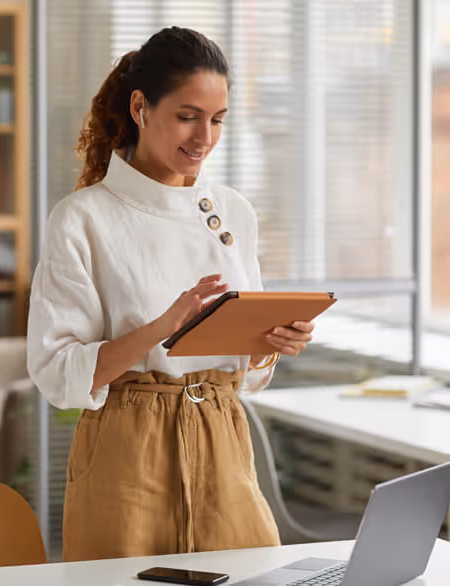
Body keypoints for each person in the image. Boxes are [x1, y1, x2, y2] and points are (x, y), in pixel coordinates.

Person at [27, 26, 315, 562]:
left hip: (223, 440)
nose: (204, 137)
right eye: (187, 115)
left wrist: (267, 343)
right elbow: (57, 373)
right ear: (140, 107)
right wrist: (162, 327)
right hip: (126, 452)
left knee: (254, 574)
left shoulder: (234, 212)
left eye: (217, 120)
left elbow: (248, 376)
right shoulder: (83, 218)